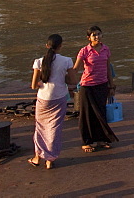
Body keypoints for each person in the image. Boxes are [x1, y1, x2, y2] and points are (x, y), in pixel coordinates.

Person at [29, 34, 76, 169]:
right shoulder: (67, 61)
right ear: (60, 46)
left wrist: (42, 82)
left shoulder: (39, 61)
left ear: (47, 45)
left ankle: (37, 157)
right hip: (59, 97)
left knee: (40, 127)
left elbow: (33, 85)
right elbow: (73, 81)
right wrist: (62, 78)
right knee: (54, 128)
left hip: (43, 98)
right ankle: (50, 159)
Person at [73, 25, 118, 153]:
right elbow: (76, 68)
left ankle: (101, 139)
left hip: (102, 85)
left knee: (101, 113)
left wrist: (111, 85)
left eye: (99, 34)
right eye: (94, 35)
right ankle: (86, 142)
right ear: (89, 38)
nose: (97, 37)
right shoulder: (84, 51)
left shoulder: (106, 49)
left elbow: (108, 68)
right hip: (87, 86)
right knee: (87, 114)